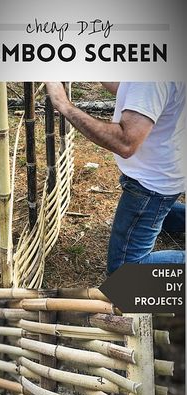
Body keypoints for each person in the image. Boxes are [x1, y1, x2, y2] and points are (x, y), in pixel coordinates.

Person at [46, 82, 185, 274]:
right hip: (168, 165)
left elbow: (125, 142)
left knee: (125, 273)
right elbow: (136, 93)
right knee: (160, 213)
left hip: (153, 184)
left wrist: (63, 104)